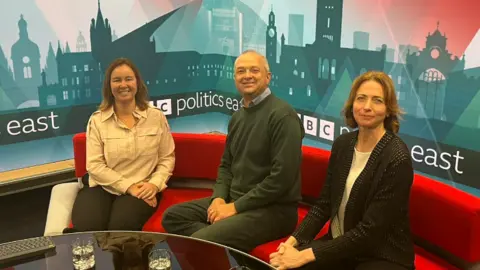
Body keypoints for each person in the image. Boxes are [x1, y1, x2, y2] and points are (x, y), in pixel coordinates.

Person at [161, 50, 305, 253]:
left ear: (268, 77)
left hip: (273, 211)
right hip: (235, 200)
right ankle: (230, 247)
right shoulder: (238, 116)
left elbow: (281, 180)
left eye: (254, 70)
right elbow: (226, 165)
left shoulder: (283, 116)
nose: (247, 75)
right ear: (235, 78)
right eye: (241, 71)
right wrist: (218, 198)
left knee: (200, 242)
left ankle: (217, 241)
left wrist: (235, 208)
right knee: (173, 217)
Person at [269, 71, 415, 270]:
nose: (367, 107)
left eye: (377, 100)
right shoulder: (343, 145)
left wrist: (305, 255)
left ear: (389, 109)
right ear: (352, 104)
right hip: (340, 244)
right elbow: (324, 204)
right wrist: (292, 243)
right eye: (361, 98)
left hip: (381, 255)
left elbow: (369, 232)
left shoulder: (397, 157)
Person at [70, 58, 175, 232]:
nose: (123, 84)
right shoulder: (97, 120)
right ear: (109, 86)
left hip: (143, 187)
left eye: (128, 79)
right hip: (102, 187)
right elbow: (94, 166)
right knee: (88, 228)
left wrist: (154, 185)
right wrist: (128, 187)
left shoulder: (156, 117)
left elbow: (166, 158)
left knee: (121, 229)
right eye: (117, 80)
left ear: (137, 83)